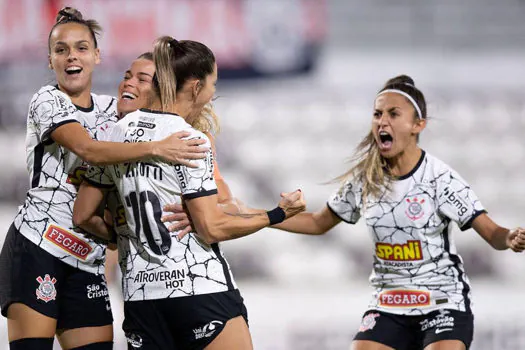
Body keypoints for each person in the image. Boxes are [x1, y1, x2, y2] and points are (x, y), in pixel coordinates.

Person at [165, 74, 525, 350]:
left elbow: (489, 230)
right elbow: (320, 223)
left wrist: (508, 238)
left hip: (443, 301)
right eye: (377, 114)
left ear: (418, 125)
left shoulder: (440, 178)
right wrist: (263, 215)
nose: (382, 121)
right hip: (390, 303)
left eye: (393, 114)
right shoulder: (365, 179)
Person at [72, 36, 305, 350]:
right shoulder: (189, 139)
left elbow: (83, 215)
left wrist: (124, 234)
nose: (213, 92)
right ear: (195, 87)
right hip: (198, 289)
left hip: (141, 299)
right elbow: (211, 228)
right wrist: (276, 215)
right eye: (212, 83)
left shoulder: (117, 133)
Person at [0, 8, 208, 350]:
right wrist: (157, 147)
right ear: (50, 59)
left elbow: (167, 113)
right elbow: (90, 150)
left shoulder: (114, 110)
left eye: (82, 48)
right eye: (61, 49)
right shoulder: (46, 100)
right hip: (38, 246)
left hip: (88, 260)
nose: (72, 56)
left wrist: (196, 204)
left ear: (97, 56)